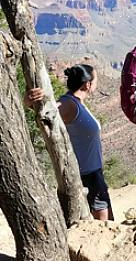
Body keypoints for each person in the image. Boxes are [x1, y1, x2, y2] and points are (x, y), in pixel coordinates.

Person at [25, 65, 114, 221]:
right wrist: (30, 102)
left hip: (93, 172)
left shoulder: (77, 103)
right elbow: (48, 112)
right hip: (86, 175)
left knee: (107, 224)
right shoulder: (69, 104)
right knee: (103, 225)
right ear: (87, 84)